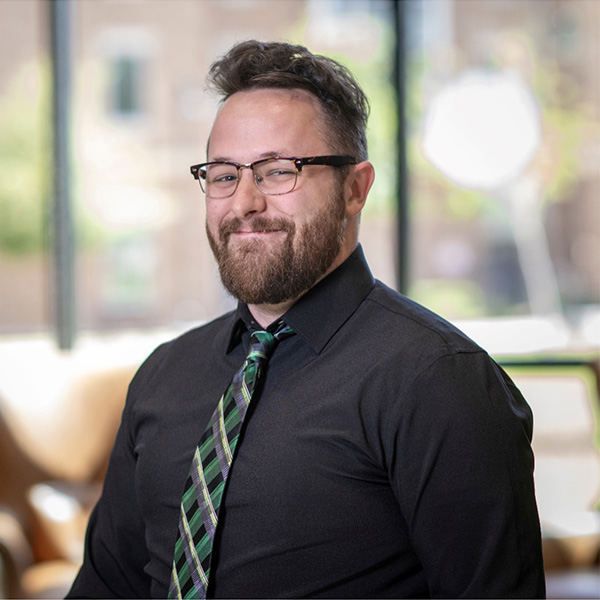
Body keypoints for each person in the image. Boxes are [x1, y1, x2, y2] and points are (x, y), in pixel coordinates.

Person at [67, 40, 545, 599]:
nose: (244, 202)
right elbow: (106, 587)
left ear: (355, 189)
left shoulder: (439, 381)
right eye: (223, 175)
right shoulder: (163, 377)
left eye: (276, 171)